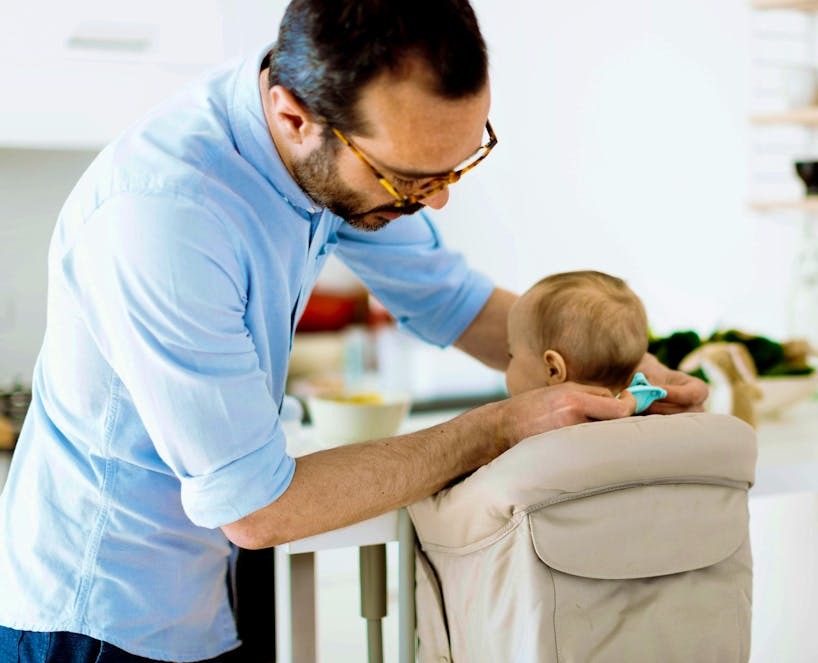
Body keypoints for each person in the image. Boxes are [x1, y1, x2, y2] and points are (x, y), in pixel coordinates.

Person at [0, 1, 707, 661]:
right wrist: (504, 424)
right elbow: (257, 506)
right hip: (97, 616)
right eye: (409, 179)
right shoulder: (165, 215)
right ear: (293, 117)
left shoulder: (324, 144)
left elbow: (452, 299)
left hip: (203, 592)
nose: (437, 198)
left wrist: (625, 368)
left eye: (457, 164)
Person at [505, 271, 666, 416]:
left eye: (511, 354)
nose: (507, 362)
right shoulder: (632, 416)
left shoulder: (537, 436)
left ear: (553, 369)